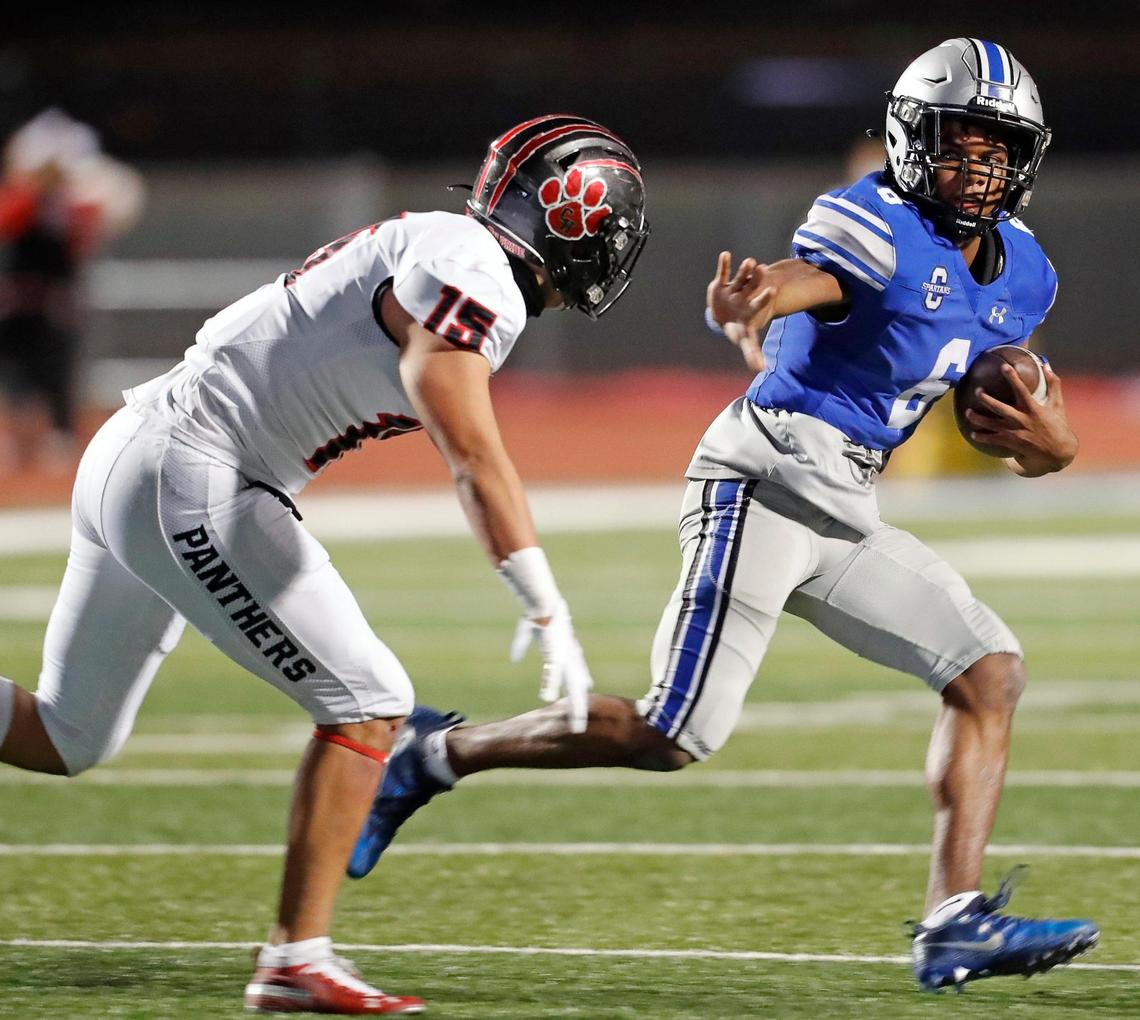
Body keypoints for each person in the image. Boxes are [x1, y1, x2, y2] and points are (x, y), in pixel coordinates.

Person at [350, 38, 1099, 994]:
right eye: (961, 142)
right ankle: (432, 752)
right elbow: (801, 283)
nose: (979, 165)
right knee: (676, 733)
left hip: (844, 503)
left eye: (1000, 148)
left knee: (987, 672)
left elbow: (1006, 405)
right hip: (767, 479)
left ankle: (952, 925)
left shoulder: (1024, 270)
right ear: (915, 141)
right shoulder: (872, 222)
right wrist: (750, 305)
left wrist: (1059, 447)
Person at [0, 114, 650, 1014]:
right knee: (370, 702)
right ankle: (294, 958)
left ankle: (296, 959)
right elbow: (471, 453)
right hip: (194, 467)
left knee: (67, 734)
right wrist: (544, 601)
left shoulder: (449, 244)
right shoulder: (473, 276)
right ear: (577, 224)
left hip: (144, 451)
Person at [0, 108, 145, 474]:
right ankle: (19, 448)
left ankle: (58, 447)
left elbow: (107, 214)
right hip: (15, 306)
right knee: (16, 381)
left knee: (58, 378)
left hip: (56, 307)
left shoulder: (71, 207)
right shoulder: (22, 200)